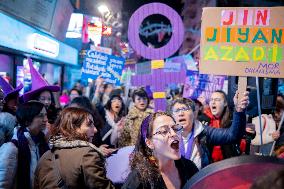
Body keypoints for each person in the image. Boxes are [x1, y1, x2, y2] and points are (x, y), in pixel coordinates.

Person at [34, 107, 115, 189]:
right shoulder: (87, 154)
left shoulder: (45, 157)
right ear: (73, 128)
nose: (95, 130)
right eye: (89, 125)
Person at [168, 91, 249, 169]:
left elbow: (233, 135)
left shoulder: (204, 132)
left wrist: (239, 110)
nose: (181, 113)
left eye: (185, 109)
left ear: (194, 113)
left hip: (200, 180)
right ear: (172, 116)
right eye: (177, 110)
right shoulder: (166, 136)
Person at [122, 112, 198, 189]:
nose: (173, 133)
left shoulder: (189, 168)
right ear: (149, 143)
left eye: (175, 128)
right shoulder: (139, 179)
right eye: (164, 131)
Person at [0, 101, 49, 189]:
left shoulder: (42, 143)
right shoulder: (12, 148)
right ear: (27, 120)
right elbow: (2, 184)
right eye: (40, 115)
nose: (45, 119)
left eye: (46, 115)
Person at [202, 90, 242, 162]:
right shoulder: (202, 120)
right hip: (209, 166)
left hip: (228, 163)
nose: (213, 102)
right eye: (211, 99)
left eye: (217, 100)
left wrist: (249, 133)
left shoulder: (233, 119)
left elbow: (239, 137)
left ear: (225, 103)